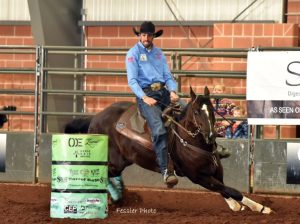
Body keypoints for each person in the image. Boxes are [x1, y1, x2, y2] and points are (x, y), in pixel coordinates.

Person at [125, 21, 179, 186]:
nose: (146, 37)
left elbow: (168, 76)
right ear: (139, 35)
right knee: (159, 129)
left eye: (149, 35)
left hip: (163, 92)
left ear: (153, 36)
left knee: (189, 111)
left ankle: (210, 149)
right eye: (143, 34)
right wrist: (144, 97)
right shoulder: (133, 54)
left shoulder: (158, 53)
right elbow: (132, 81)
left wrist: (173, 90)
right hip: (147, 94)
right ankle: (165, 171)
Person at [211, 84, 235, 158]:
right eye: (215, 90)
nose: (216, 92)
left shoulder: (227, 102)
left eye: (219, 90)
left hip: (224, 127)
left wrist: (228, 121)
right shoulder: (211, 102)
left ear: (224, 92)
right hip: (213, 127)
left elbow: (235, 114)